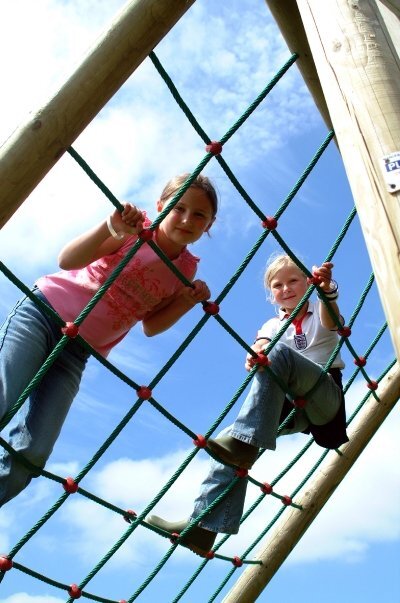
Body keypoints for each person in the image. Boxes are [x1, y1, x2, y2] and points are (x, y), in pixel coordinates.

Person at [0, 173, 218, 506]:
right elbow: (66, 260)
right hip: (44, 315)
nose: (187, 219)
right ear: (161, 205)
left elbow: (151, 326)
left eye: (199, 214)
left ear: (209, 224)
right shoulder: (136, 231)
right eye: (179, 208)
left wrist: (185, 302)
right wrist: (110, 227)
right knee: (4, 401)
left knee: (33, 454)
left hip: (77, 353)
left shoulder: (185, 269)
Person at [147, 254, 349, 556]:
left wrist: (326, 290)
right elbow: (262, 343)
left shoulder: (320, 308)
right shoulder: (272, 323)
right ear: (270, 295)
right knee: (228, 439)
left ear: (308, 282)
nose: (286, 288)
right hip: (290, 406)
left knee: (276, 359)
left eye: (293, 280)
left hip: (324, 396)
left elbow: (332, 322)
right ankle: (202, 527)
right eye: (277, 285)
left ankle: (242, 446)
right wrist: (255, 354)